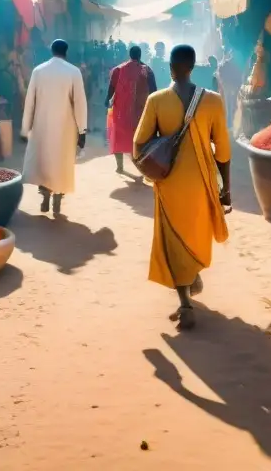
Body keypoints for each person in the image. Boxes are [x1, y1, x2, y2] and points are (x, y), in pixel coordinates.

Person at [134, 44, 231, 331]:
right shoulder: (213, 101)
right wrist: (226, 189)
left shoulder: (156, 100)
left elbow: (139, 144)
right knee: (197, 233)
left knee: (174, 239)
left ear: (171, 67)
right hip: (203, 182)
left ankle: (186, 303)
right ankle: (192, 277)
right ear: (193, 66)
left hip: (169, 183)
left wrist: (152, 167)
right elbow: (223, 151)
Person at [21, 39, 88, 216]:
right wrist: (82, 130)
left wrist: (25, 128)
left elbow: (29, 102)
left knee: (44, 161)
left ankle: (45, 197)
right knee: (61, 162)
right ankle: (58, 198)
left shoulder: (38, 71)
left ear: (51, 50)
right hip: (66, 127)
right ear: (66, 51)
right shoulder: (73, 72)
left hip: (41, 125)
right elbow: (80, 103)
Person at [106, 45, 157, 174]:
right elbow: (154, 91)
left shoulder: (119, 69)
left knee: (118, 135)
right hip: (140, 111)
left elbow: (112, 87)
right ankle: (141, 165)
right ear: (140, 55)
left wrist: (107, 100)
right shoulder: (147, 70)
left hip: (120, 111)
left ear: (130, 55)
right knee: (140, 136)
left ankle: (120, 166)